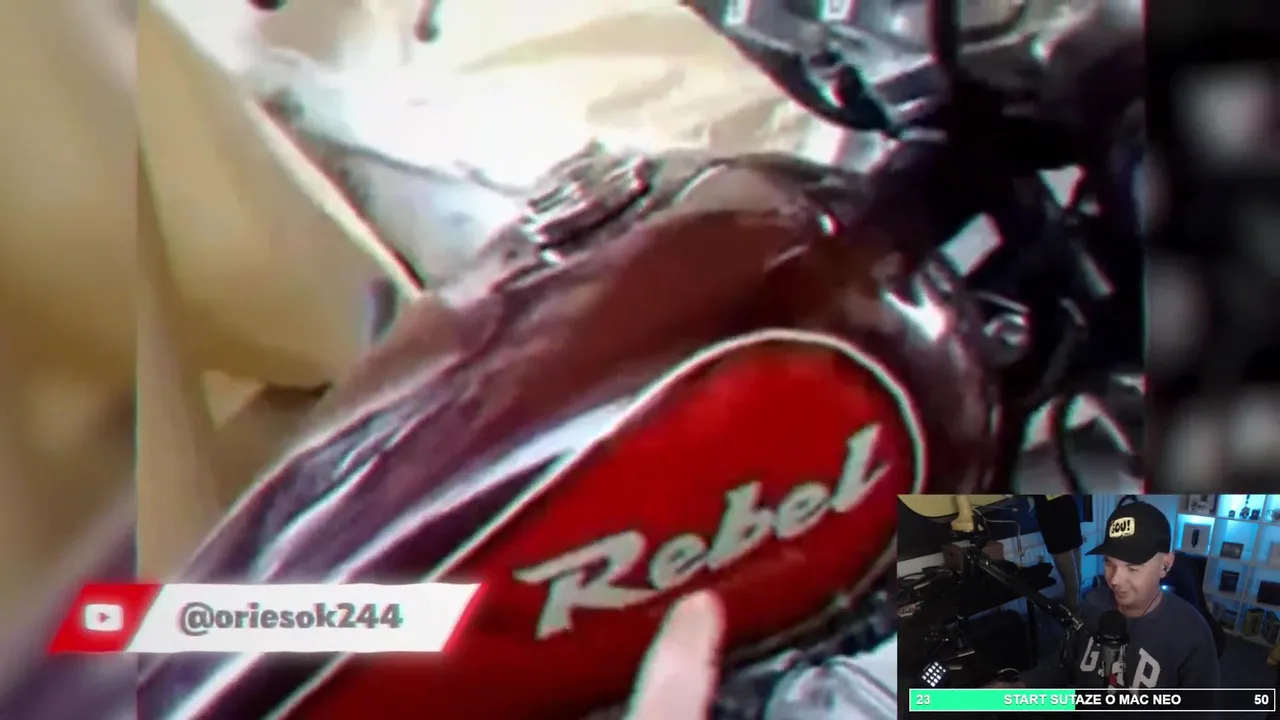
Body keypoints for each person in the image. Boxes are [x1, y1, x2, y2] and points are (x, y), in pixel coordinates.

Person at [987, 500, 1220, 690]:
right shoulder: (1093, 604)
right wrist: (1018, 687)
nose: (1115, 579)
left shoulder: (1192, 635)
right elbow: (1064, 663)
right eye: (1109, 563)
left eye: (1132, 568)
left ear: (1165, 565)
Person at [1033, 495, 1085, 614]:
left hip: (1069, 511)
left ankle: (1076, 615)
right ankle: (1075, 620)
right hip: (1051, 517)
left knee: (1078, 579)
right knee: (1073, 584)